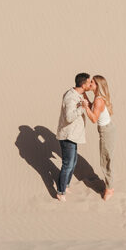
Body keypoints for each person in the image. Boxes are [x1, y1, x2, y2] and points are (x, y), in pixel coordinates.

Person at [56, 72, 92, 201]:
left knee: (73, 162)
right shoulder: (71, 97)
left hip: (73, 135)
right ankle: (60, 192)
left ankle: (65, 185)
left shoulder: (77, 95)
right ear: (83, 84)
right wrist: (82, 108)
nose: (91, 84)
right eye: (89, 82)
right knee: (68, 164)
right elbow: (69, 117)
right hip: (68, 136)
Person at [83, 74, 115, 200]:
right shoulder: (97, 97)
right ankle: (109, 185)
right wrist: (85, 96)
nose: (90, 83)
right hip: (107, 129)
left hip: (106, 131)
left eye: (92, 82)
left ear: (97, 85)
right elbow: (93, 107)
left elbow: (93, 118)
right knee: (106, 158)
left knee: (105, 160)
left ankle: (109, 188)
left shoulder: (98, 100)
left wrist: (85, 107)